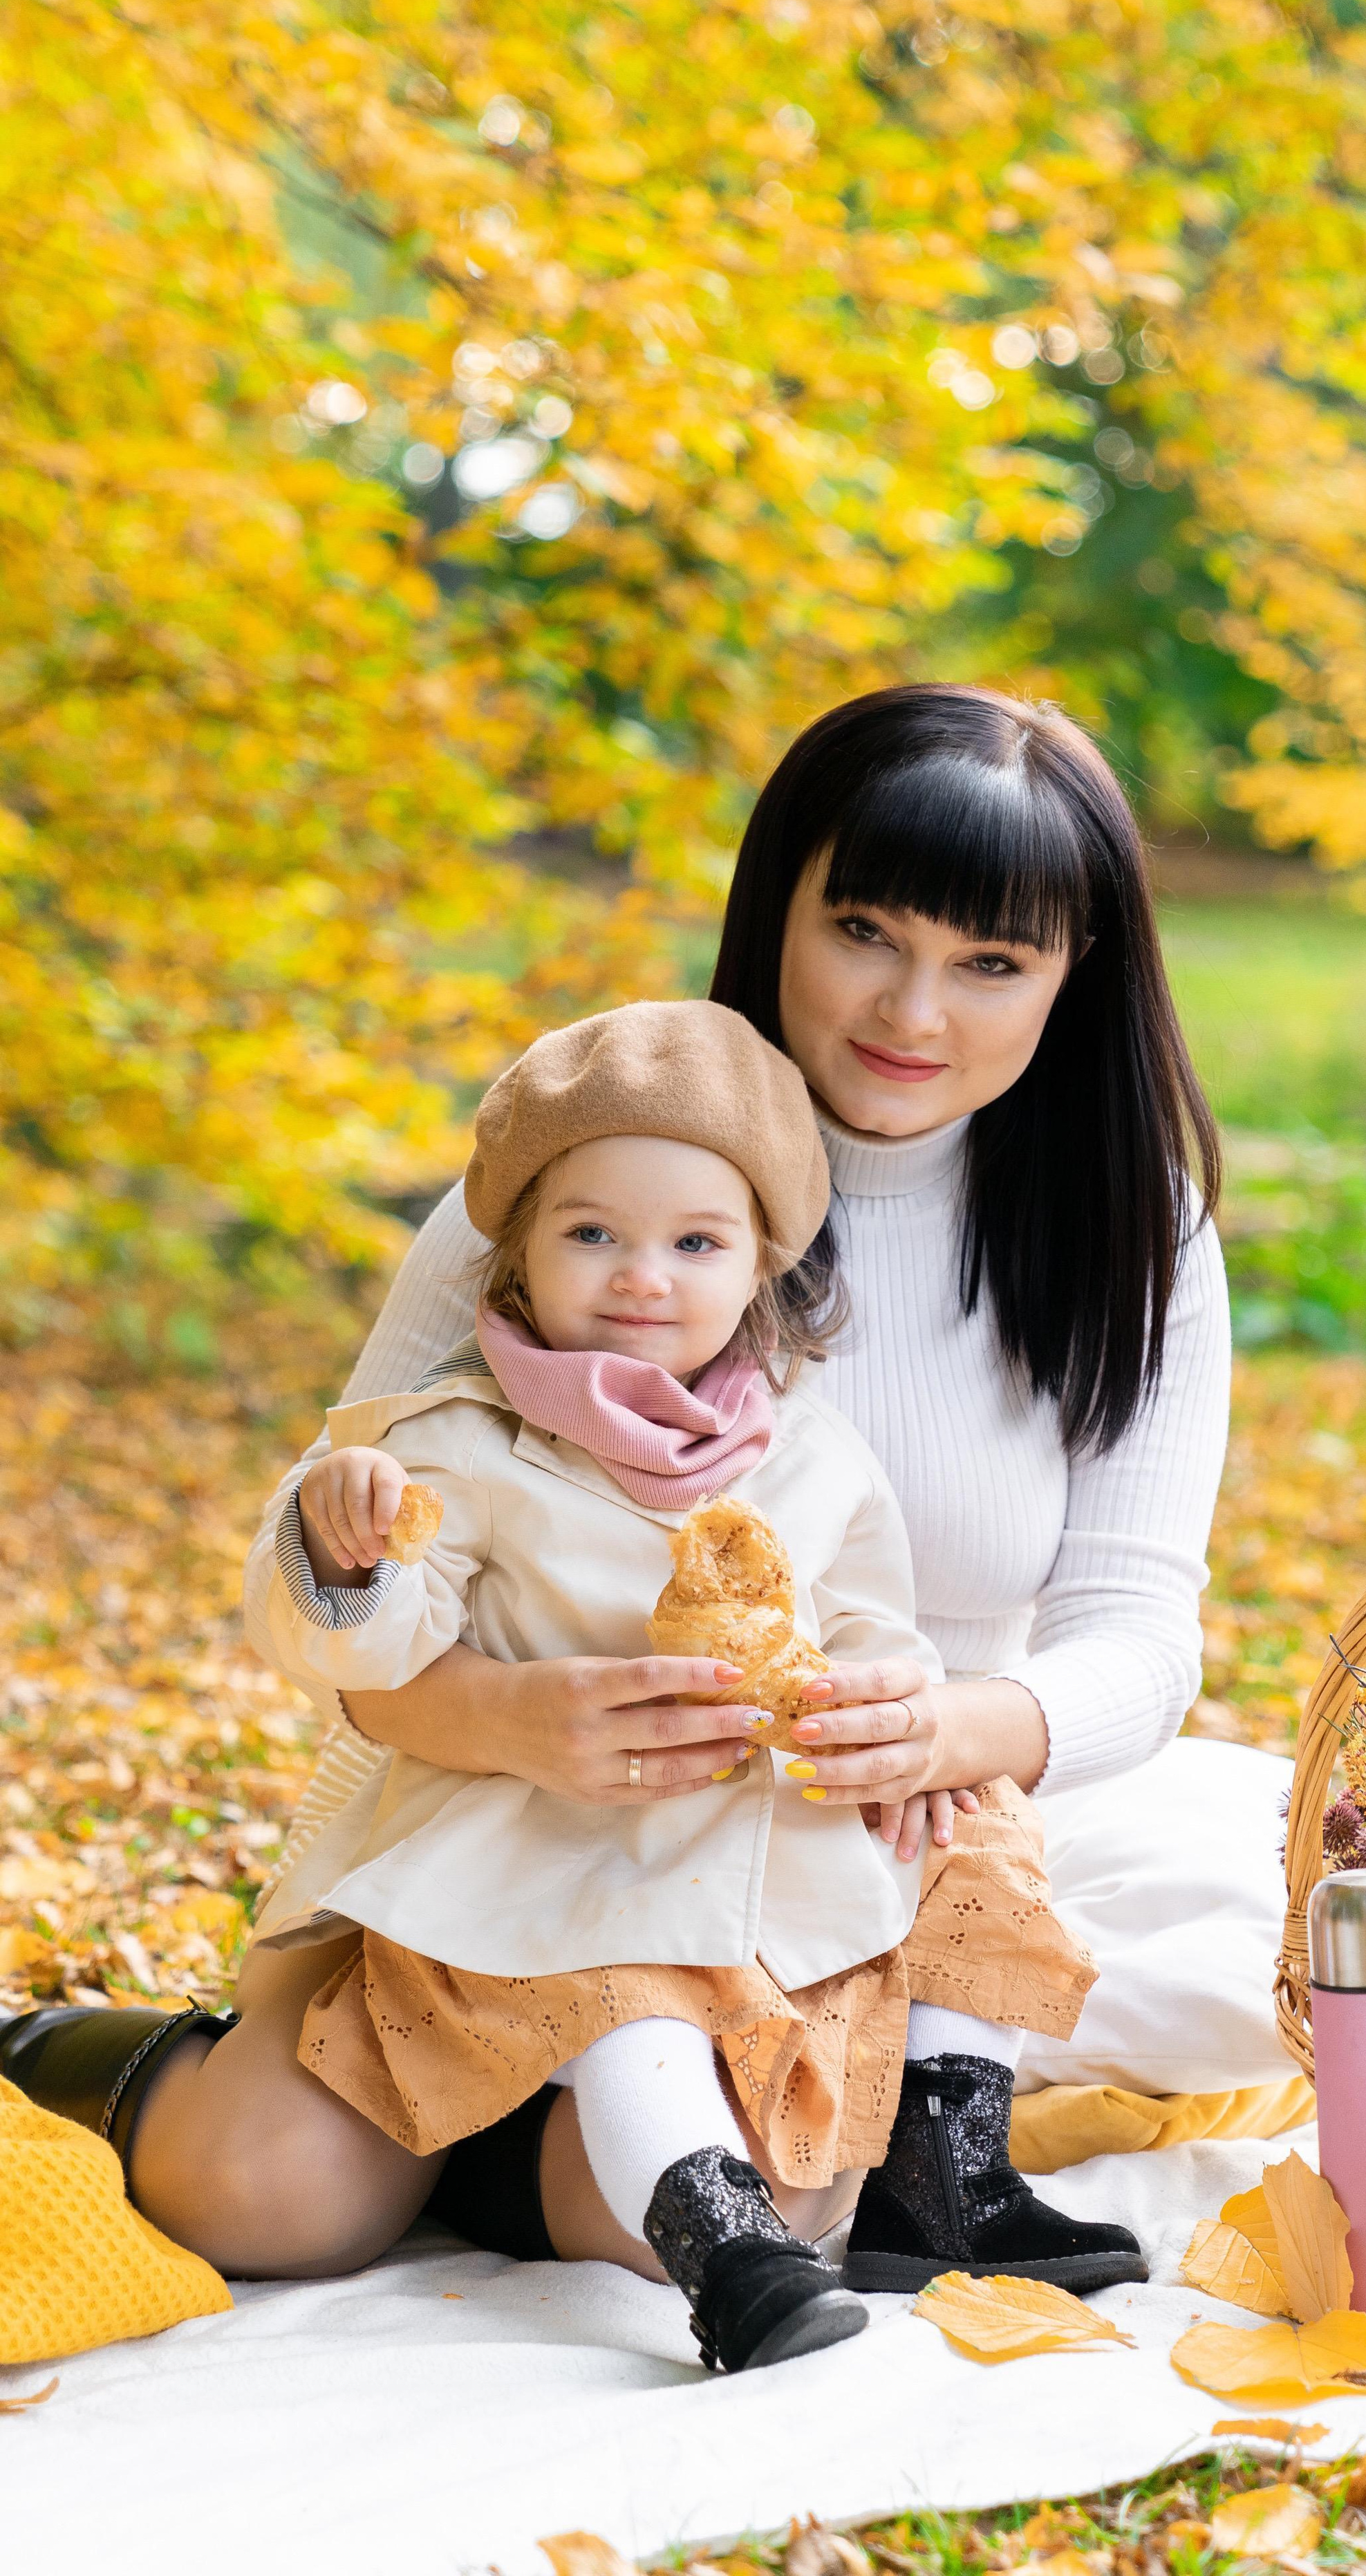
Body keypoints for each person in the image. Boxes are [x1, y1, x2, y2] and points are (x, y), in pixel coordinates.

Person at [3, 682, 1282, 2289]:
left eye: (989, 963)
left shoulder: (1130, 1229)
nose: (912, 1010)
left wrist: (956, 1726)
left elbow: (1139, 1637)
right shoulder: (591, 1184)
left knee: (691, 2218)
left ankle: (517, 2149)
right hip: (506, 1811)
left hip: (843, 1841)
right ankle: (80, 2052)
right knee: (261, 2203)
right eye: (865, 930)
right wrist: (513, 1720)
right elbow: (358, 1542)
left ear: (1069, 976)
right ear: (777, 908)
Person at [238, 999, 1117, 2369]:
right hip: (569, 1824)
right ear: (519, 1253)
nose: (641, 1277)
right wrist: (346, 1550)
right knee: (625, 1977)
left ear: (760, 1263)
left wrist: (900, 1731)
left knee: (984, 1834)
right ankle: (721, 2243)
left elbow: (872, 1619)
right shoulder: (465, 1444)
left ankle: (948, 2164)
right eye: (591, 1235)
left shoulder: (810, 1453)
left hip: (772, 1814)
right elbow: (382, 1644)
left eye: (694, 1244)